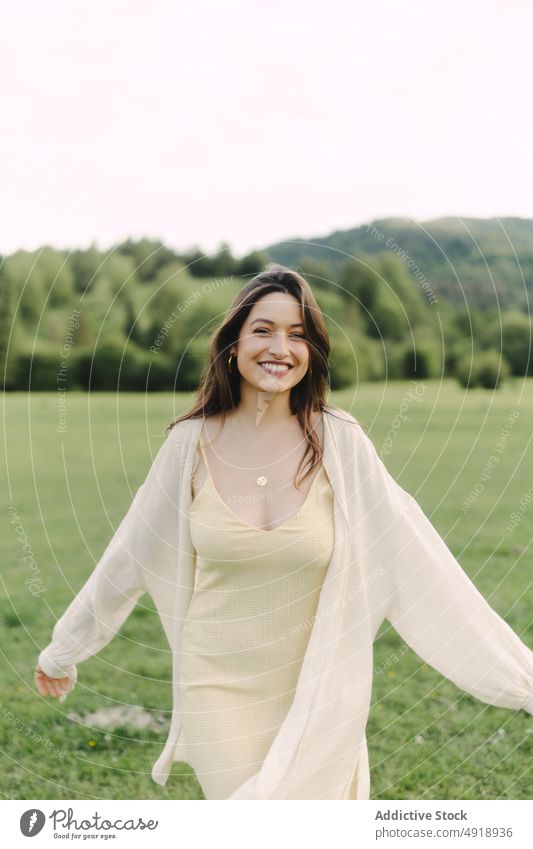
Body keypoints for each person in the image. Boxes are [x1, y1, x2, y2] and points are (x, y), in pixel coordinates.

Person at [36, 264, 533, 800]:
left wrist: (521, 679)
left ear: (313, 352)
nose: (281, 347)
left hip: (322, 694)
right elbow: (129, 555)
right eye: (264, 330)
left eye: (298, 334)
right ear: (233, 343)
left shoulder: (341, 444)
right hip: (218, 690)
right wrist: (63, 650)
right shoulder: (189, 446)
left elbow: (423, 563)